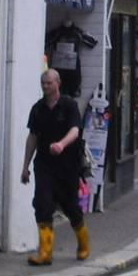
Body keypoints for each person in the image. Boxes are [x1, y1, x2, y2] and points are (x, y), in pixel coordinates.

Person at [20, 68, 90, 265]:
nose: (45, 86)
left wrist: (61, 144)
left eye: (49, 83)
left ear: (58, 83)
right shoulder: (38, 109)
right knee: (42, 204)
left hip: (67, 165)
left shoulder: (69, 105)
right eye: (43, 83)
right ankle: (45, 252)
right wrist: (25, 166)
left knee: (70, 206)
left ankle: (83, 243)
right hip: (44, 164)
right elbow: (33, 137)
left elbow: (75, 130)